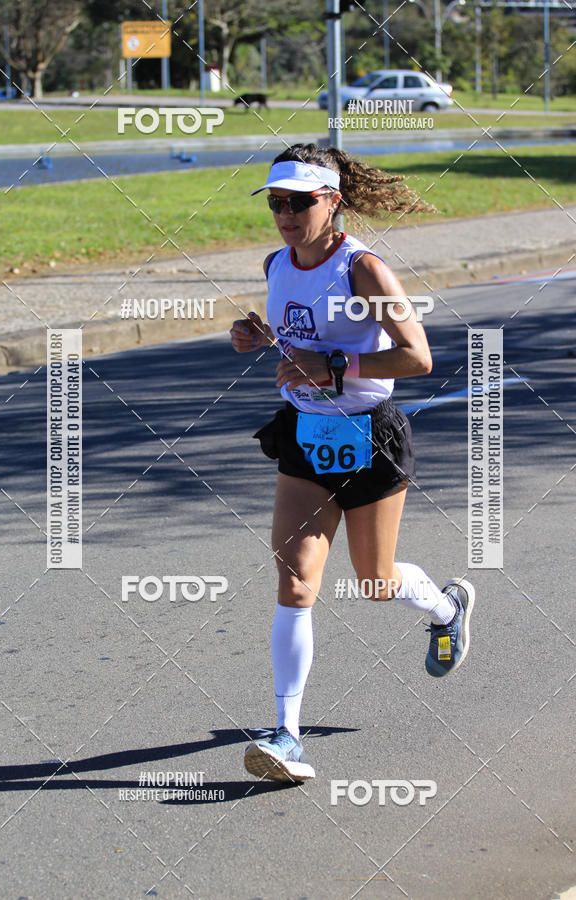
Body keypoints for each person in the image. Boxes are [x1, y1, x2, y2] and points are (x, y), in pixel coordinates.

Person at [230, 143, 475, 784]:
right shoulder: (275, 263)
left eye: (299, 202)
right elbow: (301, 339)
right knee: (295, 579)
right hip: (306, 435)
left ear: (331, 202)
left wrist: (336, 367)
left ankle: (446, 610)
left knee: (375, 579)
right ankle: (286, 736)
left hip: (369, 434)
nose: (284, 214)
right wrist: (260, 338)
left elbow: (418, 357)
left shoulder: (364, 269)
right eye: (275, 202)